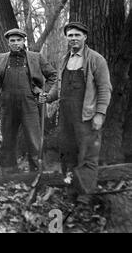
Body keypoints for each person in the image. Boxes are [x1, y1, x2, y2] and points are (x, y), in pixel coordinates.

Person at [43, 22, 112, 203]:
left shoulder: (96, 60)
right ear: (66, 38)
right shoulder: (65, 60)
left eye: (77, 35)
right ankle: (71, 190)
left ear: (85, 37)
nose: (73, 38)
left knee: (88, 156)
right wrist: (48, 97)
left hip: (87, 116)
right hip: (65, 117)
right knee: (68, 153)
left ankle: (85, 194)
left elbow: (105, 89)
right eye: (70, 35)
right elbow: (60, 88)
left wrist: (100, 114)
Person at [0, 28, 57, 176]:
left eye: (18, 40)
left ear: (23, 41)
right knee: (8, 137)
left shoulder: (36, 57)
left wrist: (44, 92)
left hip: (30, 104)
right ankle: (8, 171)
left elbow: (53, 75)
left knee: (34, 137)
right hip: (7, 105)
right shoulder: (0, 58)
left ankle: (36, 171)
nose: (15, 43)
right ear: (8, 43)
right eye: (12, 41)